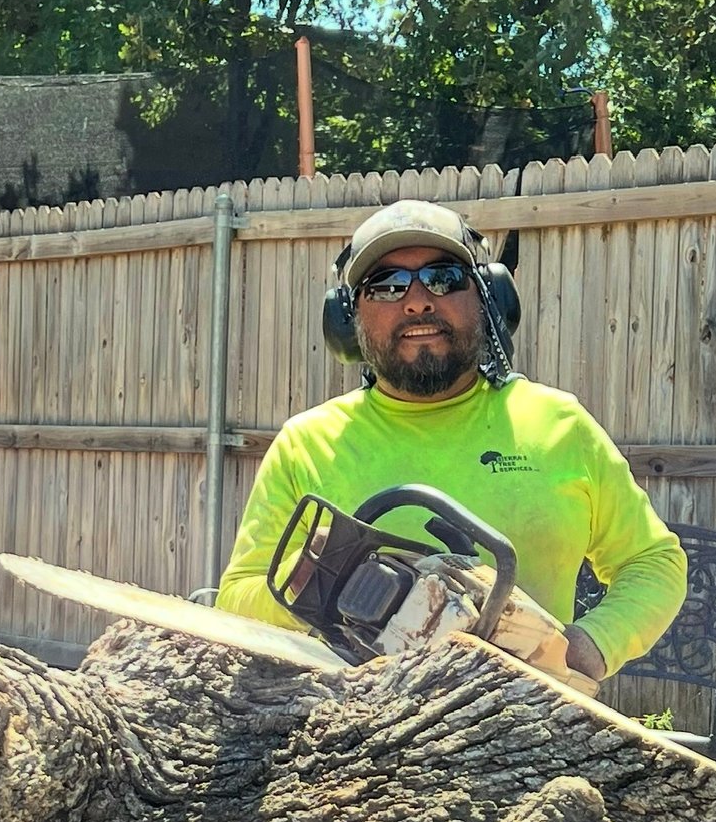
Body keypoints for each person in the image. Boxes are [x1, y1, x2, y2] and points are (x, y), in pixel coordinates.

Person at [216, 199, 687, 681]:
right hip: (352, 730)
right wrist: (324, 576)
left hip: (528, 727)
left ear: (488, 298)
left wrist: (588, 648)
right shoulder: (308, 443)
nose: (418, 300)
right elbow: (237, 596)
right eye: (387, 285)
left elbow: (653, 561)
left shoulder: (559, 423)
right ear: (347, 319)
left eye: (443, 278)